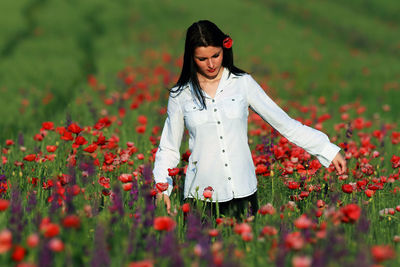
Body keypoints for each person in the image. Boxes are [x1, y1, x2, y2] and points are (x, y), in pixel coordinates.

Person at [153, 20, 346, 219]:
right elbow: (168, 147)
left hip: (242, 192)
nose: (211, 64)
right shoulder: (181, 94)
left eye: (216, 56)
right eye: (202, 59)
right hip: (200, 197)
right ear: (191, 58)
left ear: (224, 50)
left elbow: (284, 123)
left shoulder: (242, 83)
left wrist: (327, 149)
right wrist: (162, 187)